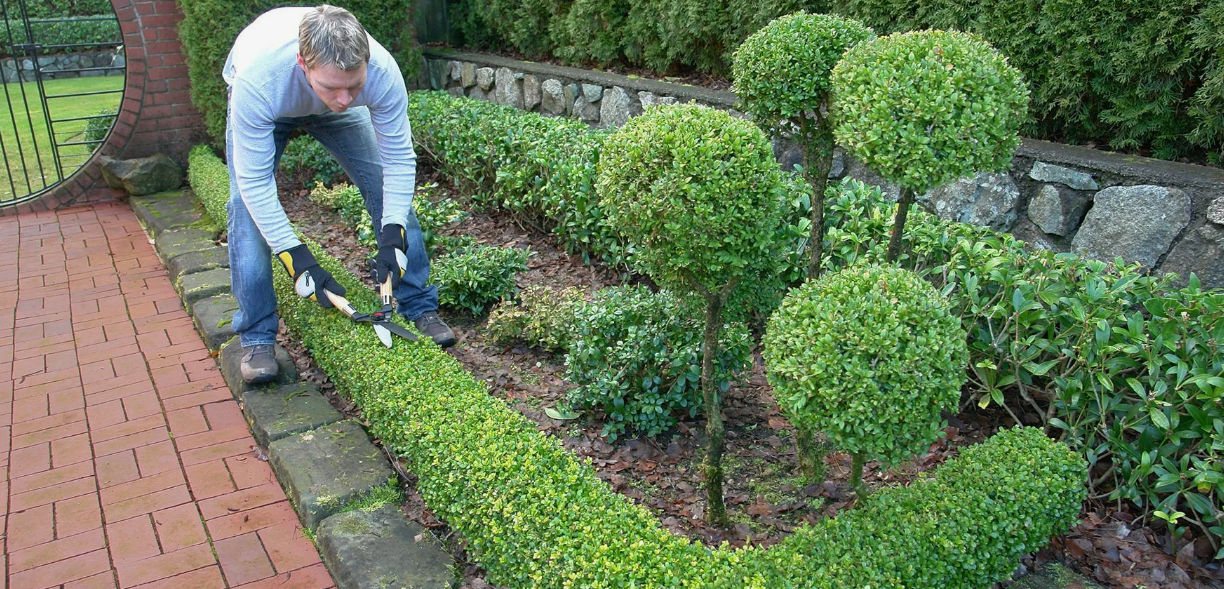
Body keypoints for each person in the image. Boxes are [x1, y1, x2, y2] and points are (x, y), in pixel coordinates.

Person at [224, 4, 456, 384]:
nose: (346, 98)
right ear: (303, 63)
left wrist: (392, 233)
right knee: (243, 209)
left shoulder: (380, 71)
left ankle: (419, 305)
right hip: (273, 102)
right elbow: (255, 183)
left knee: (384, 184)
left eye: (355, 86)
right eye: (334, 87)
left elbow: (397, 159)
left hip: (309, 88)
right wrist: (296, 257)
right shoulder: (259, 82)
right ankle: (257, 337)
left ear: (365, 63)